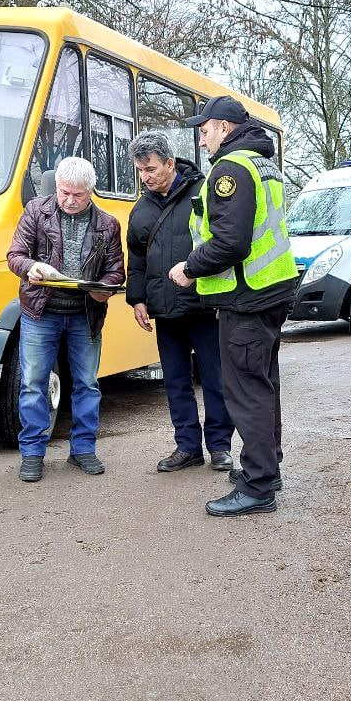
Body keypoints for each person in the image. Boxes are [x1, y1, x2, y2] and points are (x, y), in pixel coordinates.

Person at [168, 96, 298, 517]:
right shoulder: (263, 164)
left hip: (247, 298)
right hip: (270, 291)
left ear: (223, 128)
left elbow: (231, 242)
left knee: (246, 392)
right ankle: (268, 469)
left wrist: (189, 268)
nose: (201, 140)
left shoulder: (232, 168)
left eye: (204, 131)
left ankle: (258, 485)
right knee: (263, 386)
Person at [7, 156, 124, 483]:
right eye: (64, 193)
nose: (70, 201)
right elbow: (15, 255)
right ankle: (32, 452)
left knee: (87, 383)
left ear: (91, 192)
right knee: (33, 383)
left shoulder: (107, 224)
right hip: (40, 311)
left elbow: (116, 270)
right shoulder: (35, 211)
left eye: (78, 195)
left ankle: (83, 449)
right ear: (56, 187)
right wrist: (31, 268)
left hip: (84, 314)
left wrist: (105, 290)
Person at [125, 130, 234, 474]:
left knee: (215, 379)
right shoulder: (141, 208)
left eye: (151, 169)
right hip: (164, 309)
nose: (145, 177)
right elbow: (137, 258)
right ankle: (187, 446)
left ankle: (219, 446)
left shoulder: (203, 191)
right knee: (175, 381)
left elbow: (220, 241)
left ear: (170, 163)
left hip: (203, 305)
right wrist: (137, 299)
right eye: (140, 171)